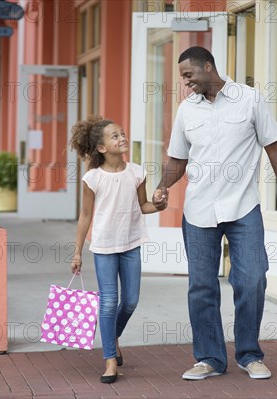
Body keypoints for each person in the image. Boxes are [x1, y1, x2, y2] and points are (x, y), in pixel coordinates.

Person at [152, 46, 277, 380]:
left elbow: (274, 145)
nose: (186, 83)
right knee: (201, 286)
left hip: (243, 205)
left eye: (189, 75)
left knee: (252, 279)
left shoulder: (249, 99)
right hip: (199, 208)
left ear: (207, 66)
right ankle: (209, 358)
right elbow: (178, 159)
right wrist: (163, 186)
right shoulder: (187, 110)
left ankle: (249, 354)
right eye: (183, 78)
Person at [69, 115, 166, 384]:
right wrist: (77, 251)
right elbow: (85, 216)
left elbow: (143, 206)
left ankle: (113, 336)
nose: (121, 138)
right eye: (114, 136)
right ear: (101, 148)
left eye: (121, 133)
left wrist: (159, 206)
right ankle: (110, 360)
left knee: (131, 300)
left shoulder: (137, 172)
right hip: (103, 246)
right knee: (109, 302)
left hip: (131, 244)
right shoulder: (93, 178)